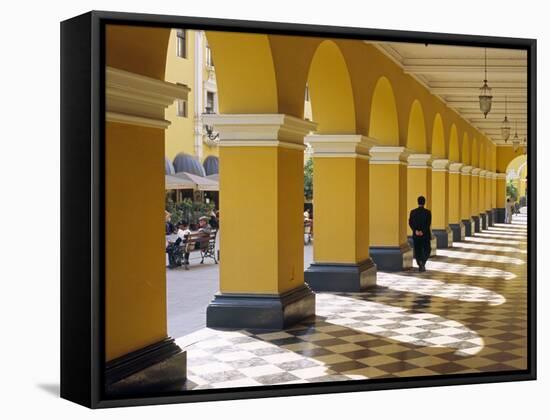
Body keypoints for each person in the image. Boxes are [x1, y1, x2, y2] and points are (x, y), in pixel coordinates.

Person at [408, 196, 432, 272]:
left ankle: (419, 263)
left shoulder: (413, 212)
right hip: (425, 235)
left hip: (416, 235)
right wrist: (423, 231)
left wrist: (415, 231)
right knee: (427, 249)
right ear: (424, 202)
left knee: (417, 250)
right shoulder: (428, 212)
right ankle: (423, 263)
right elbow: (428, 224)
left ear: (417, 202)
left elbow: (410, 223)